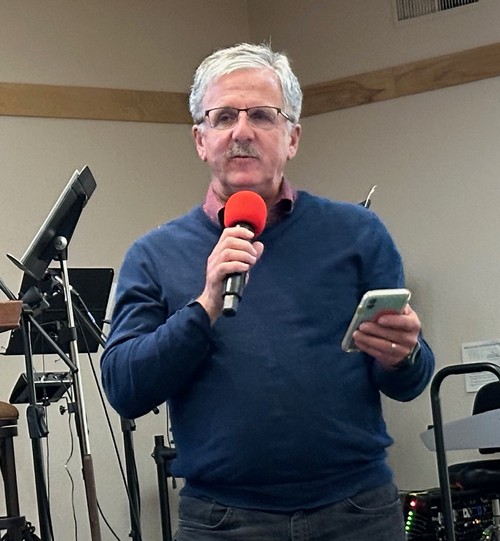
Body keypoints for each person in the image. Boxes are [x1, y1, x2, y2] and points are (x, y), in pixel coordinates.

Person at [101, 42, 435, 541]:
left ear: (292, 137)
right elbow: (125, 389)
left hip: (357, 513)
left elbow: (409, 382)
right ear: (200, 139)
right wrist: (205, 306)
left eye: (261, 115)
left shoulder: (358, 233)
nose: (241, 132)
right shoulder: (153, 254)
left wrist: (403, 356)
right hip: (223, 521)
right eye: (223, 117)